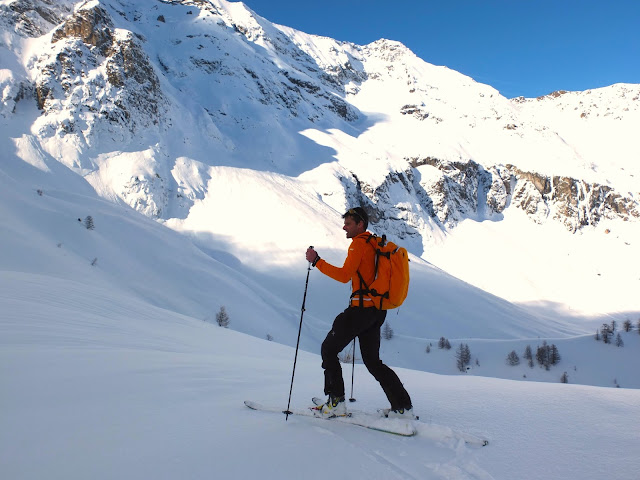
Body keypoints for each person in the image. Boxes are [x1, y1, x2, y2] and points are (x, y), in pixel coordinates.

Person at [305, 207, 413, 418]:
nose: (344, 227)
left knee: (328, 349)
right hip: (376, 311)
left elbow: (345, 275)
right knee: (373, 362)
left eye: (348, 223)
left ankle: (336, 402)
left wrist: (317, 261)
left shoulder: (358, 244)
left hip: (360, 311)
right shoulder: (374, 243)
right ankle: (402, 407)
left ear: (360, 224)